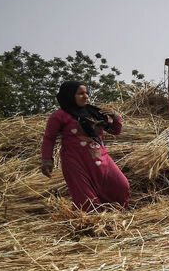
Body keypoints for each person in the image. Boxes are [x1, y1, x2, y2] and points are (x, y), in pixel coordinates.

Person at [41, 81, 130, 211]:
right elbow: (49, 138)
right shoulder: (59, 116)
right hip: (76, 162)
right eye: (80, 93)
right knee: (86, 199)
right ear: (70, 95)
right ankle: (94, 224)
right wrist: (46, 160)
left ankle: (114, 212)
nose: (86, 96)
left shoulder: (94, 112)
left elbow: (115, 131)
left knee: (121, 186)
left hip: (101, 159)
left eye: (87, 93)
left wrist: (115, 116)